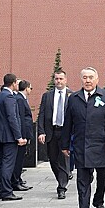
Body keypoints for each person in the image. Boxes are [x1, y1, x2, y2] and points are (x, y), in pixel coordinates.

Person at [61, 67, 105, 208]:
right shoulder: (74, 98)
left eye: (91, 77)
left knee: (102, 177)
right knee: (83, 179)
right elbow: (68, 123)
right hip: (81, 145)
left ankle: (99, 201)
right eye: (85, 77)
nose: (88, 80)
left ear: (97, 79)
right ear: (81, 79)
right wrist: (65, 144)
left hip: (101, 144)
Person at [37, 70, 72, 199]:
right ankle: (62, 177)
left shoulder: (71, 96)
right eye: (56, 79)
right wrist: (41, 131)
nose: (58, 81)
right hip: (51, 131)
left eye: (61, 79)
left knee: (63, 160)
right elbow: (41, 114)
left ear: (65, 80)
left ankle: (61, 187)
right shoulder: (47, 96)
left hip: (65, 132)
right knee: (53, 160)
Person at [0, 74, 27, 202]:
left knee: (0, 163)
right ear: (13, 83)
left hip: (0, 134)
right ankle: (7, 191)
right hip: (9, 136)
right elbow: (12, 117)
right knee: (8, 163)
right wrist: (18, 136)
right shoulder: (9, 96)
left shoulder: (0, 95)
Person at [12, 80, 34, 191]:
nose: (31, 90)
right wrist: (23, 135)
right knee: (18, 159)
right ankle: (15, 181)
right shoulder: (20, 99)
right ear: (26, 88)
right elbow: (20, 118)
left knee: (21, 159)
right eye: (31, 88)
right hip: (22, 134)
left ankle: (18, 179)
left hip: (25, 133)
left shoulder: (22, 99)